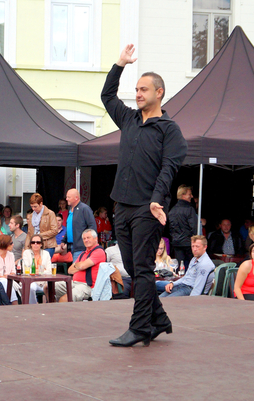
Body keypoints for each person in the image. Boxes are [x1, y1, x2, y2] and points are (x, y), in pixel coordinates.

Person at [103, 44, 188, 347]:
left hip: (148, 208)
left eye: (143, 89)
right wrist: (120, 64)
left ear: (159, 93)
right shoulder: (128, 120)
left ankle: (140, 327)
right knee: (132, 265)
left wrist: (157, 198)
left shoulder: (169, 130)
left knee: (141, 269)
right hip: (122, 205)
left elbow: (169, 168)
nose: (137, 94)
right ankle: (160, 319)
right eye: (136, 89)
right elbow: (107, 97)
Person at [55, 229, 106, 302]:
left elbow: (82, 266)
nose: (86, 240)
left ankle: (59, 311)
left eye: (88, 238)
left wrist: (80, 265)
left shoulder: (99, 251)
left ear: (95, 239)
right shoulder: (83, 254)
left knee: (64, 299)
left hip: (87, 286)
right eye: (84, 239)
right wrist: (81, 265)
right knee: (49, 287)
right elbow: (70, 270)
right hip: (74, 283)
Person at [61, 189, 96, 262]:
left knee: (77, 270)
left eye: (69, 197)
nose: (66, 199)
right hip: (72, 246)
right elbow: (70, 227)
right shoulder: (70, 210)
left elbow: (92, 226)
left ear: (76, 198)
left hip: (81, 247)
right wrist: (64, 240)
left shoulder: (84, 209)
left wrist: (89, 242)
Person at [168, 185, 198, 269]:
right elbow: (194, 228)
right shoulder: (189, 209)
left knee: (179, 267)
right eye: (190, 194)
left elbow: (170, 228)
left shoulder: (172, 210)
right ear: (183, 195)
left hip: (176, 243)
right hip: (188, 243)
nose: (191, 196)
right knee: (192, 267)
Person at [24, 193, 58, 259]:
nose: (33, 209)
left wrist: (39, 236)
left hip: (48, 245)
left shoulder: (50, 214)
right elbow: (29, 232)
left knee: (42, 264)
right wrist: (26, 248)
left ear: (41, 204)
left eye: (35, 206)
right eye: (32, 206)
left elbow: (54, 230)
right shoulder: (31, 216)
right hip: (34, 244)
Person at [22, 234, 53, 304]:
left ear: (41, 244)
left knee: (52, 286)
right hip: (32, 281)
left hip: (44, 282)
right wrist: (42, 270)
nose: (35, 244)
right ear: (31, 244)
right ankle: (33, 306)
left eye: (38, 242)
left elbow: (50, 271)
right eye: (33, 242)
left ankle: (52, 307)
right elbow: (26, 270)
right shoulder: (26, 253)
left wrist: (36, 271)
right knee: (30, 287)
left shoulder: (46, 253)